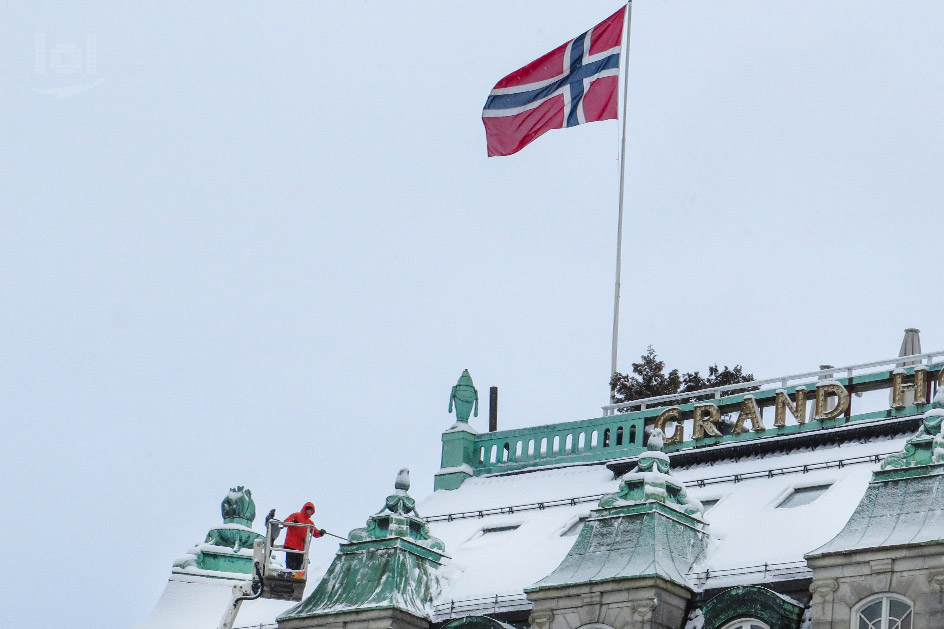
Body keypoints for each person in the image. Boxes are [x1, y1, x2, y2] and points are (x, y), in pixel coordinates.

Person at [283, 501, 325, 570]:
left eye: (312, 510)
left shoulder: (310, 523)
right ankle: (289, 575)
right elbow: (285, 523)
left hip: (301, 547)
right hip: (291, 544)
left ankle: (295, 578)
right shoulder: (296, 515)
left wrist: (320, 533)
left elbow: (315, 532)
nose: (311, 512)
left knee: (299, 564)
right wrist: (292, 522)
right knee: (290, 564)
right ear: (306, 509)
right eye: (310, 510)